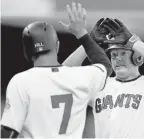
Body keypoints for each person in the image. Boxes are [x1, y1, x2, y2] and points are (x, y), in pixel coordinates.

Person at [0, 3, 112, 138]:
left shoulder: (21, 81)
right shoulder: (80, 77)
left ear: (27, 52)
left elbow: (8, 132)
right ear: (57, 46)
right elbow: (105, 65)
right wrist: (84, 36)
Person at [62, 18, 144, 138]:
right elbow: (62, 75)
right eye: (114, 55)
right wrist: (88, 43)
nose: (118, 59)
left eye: (123, 53)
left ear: (138, 58)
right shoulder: (100, 85)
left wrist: (133, 43)